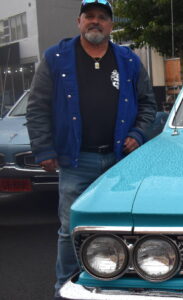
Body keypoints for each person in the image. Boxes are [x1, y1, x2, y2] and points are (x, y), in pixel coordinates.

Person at [25, 0, 156, 295]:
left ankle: (120, 283)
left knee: (122, 225)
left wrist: (138, 132)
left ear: (111, 25)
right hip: (76, 160)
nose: (95, 22)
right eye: (90, 17)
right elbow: (37, 108)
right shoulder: (56, 58)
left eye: (102, 17)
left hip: (120, 161)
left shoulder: (129, 60)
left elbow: (148, 104)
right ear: (79, 21)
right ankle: (65, 285)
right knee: (71, 228)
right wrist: (44, 150)